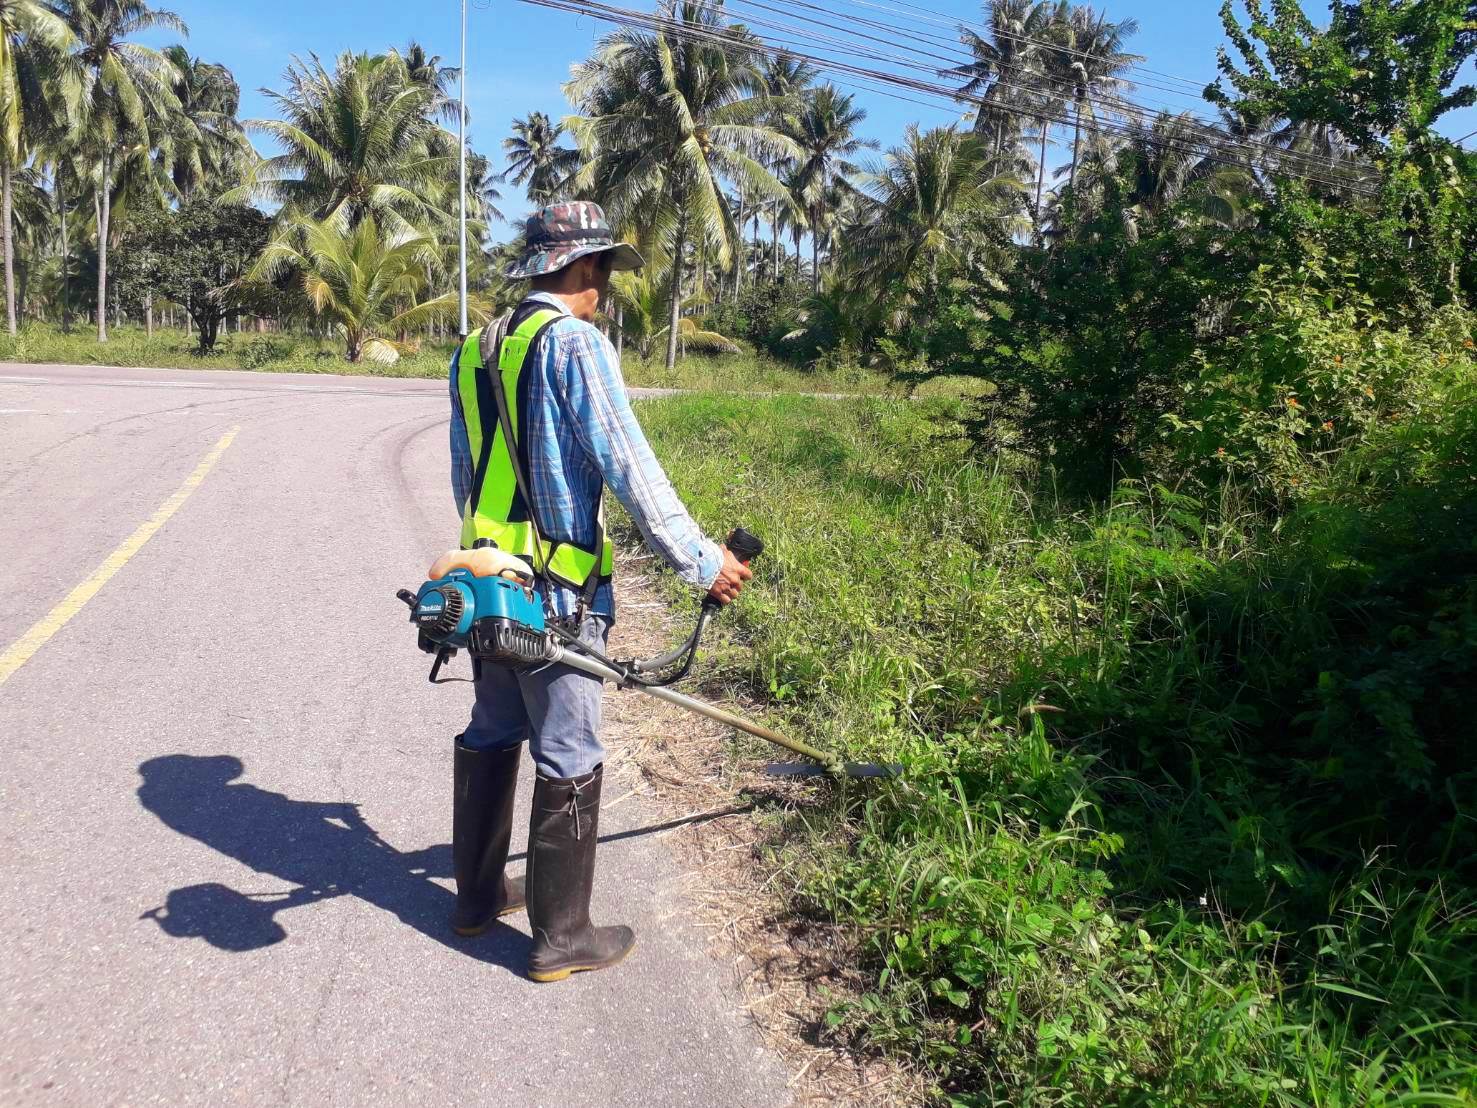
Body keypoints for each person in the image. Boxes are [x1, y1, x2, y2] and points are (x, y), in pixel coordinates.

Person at [443, 201, 752, 982]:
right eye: (604, 273)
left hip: (486, 584)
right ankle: (561, 937)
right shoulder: (575, 344)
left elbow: (463, 470)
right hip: (557, 591)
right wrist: (698, 558)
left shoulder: (476, 347)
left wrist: (484, 559)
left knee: (492, 729)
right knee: (568, 748)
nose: (604, 289)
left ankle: (477, 898)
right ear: (582, 268)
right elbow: (627, 462)